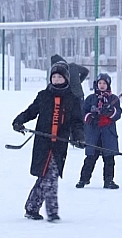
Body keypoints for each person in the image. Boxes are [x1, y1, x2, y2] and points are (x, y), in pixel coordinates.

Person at [12, 62, 85, 222]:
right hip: (43, 143)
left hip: (59, 144)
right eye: (54, 77)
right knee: (47, 176)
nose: (57, 79)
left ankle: (32, 208)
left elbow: (77, 122)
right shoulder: (43, 96)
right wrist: (19, 121)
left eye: (60, 77)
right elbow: (31, 111)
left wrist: (79, 137)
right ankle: (50, 211)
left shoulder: (71, 99)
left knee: (49, 175)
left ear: (65, 79)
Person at [77, 73, 122, 189]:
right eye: (100, 83)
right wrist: (90, 117)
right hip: (93, 133)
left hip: (108, 133)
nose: (102, 86)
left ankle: (109, 180)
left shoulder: (113, 99)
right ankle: (84, 179)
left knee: (109, 158)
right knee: (90, 157)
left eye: (104, 83)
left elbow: (118, 114)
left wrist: (110, 111)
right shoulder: (90, 98)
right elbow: (83, 112)